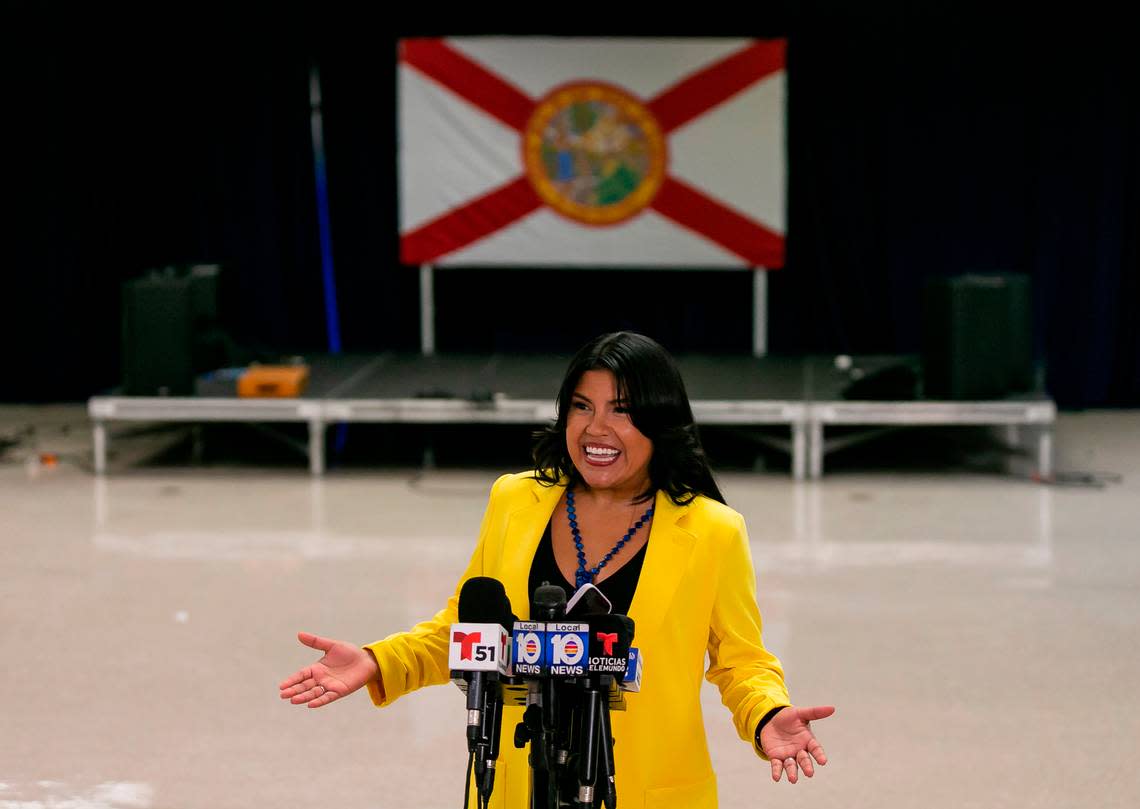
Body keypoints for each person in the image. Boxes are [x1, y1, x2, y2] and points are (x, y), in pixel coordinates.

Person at [279, 332, 834, 808]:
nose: (596, 428)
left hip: (645, 791)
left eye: (621, 409)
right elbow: (469, 632)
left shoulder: (712, 530)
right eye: (580, 405)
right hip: (518, 785)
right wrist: (378, 662)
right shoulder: (515, 500)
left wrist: (766, 716)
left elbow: (741, 662)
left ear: (659, 420)